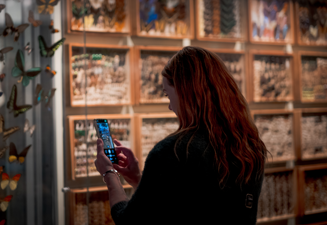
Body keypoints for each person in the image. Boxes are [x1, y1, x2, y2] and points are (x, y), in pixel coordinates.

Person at [95, 46, 270, 225]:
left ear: (185, 91)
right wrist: (139, 180)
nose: (170, 106)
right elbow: (190, 206)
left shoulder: (175, 151)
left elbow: (129, 221)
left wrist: (109, 174)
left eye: (168, 95)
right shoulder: (250, 147)